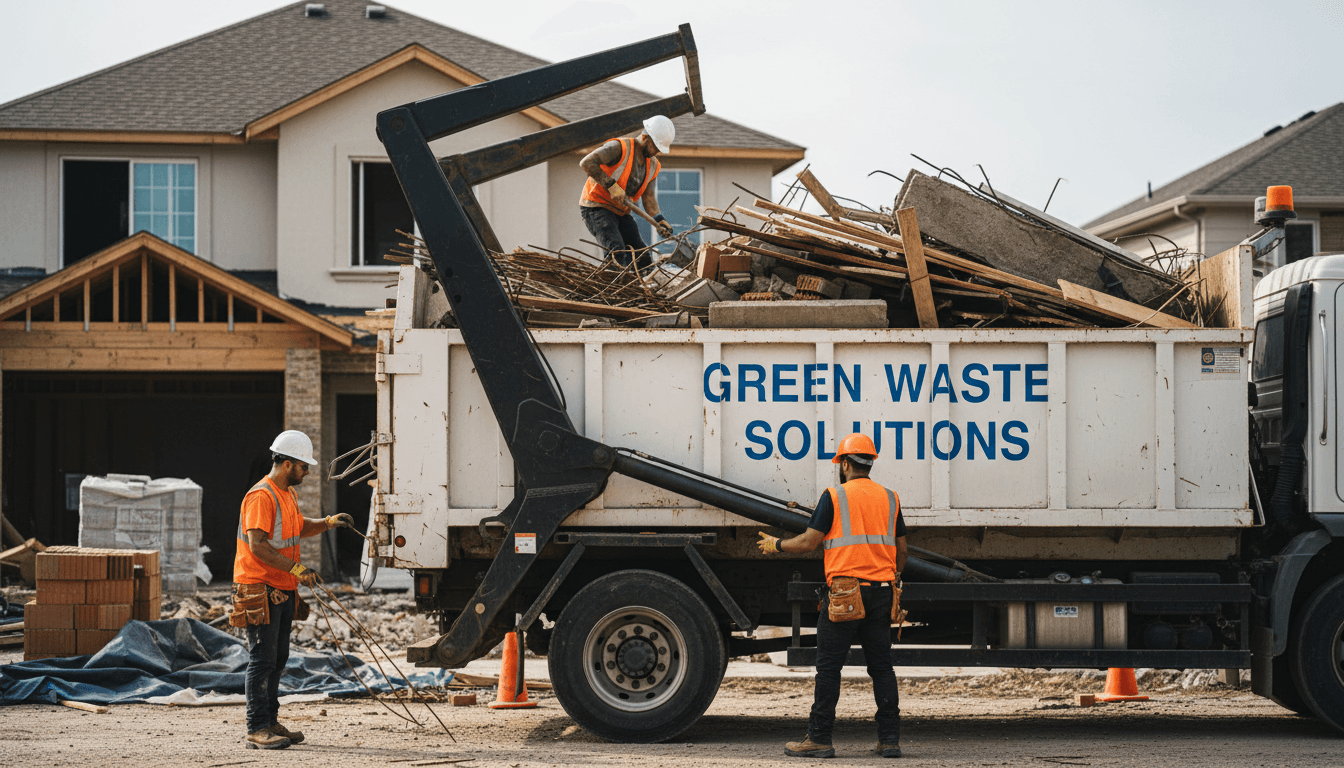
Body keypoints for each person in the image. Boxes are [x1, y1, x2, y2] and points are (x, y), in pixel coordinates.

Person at [757, 433, 908, 759]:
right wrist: (890, 577)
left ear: (846, 463)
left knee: (829, 669)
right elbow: (902, 550)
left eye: (840, 462)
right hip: (882, 592)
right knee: (882, 669)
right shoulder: (890, 497)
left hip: (844, 594)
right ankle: (890, 740)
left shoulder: (835, 496)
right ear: (870, 463)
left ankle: (820, 738)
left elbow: (810, 541)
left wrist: (777, 544)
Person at [230, 429, 354, 750]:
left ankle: (271, 722)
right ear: (286, 464)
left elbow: (297, 527)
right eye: (303, 466)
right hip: (260, 588)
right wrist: (299, 569)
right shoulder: (261, 496)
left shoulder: (287, 494)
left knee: (279, 658)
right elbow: (258, 546)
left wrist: (327, 522)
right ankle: (257, 727)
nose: (307, 472)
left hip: (282, 588)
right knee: (262, 660)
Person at [579, 114, 676, 269]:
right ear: (645, 138)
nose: (656, 153)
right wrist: (611, 186)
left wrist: (659, 219)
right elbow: (587, 163)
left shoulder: (653, 166)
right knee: (617, 253)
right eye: (655, 148)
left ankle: (646, 288)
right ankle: (612, 289)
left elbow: (649, 197)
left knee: (642, 257)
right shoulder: (619, 148)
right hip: (597, 207)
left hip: (621, 212)